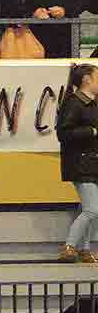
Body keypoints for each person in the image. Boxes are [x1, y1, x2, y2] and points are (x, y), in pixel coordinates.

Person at [56, 62, 98, 264]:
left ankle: (85, 248)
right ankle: (70, 246)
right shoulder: (73, 103)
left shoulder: (93, 102)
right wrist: (92, 131)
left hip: (92, 163)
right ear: (86, 80)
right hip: (81, 164)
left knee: (90, 209)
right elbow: (63, 133)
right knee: (92, 209)